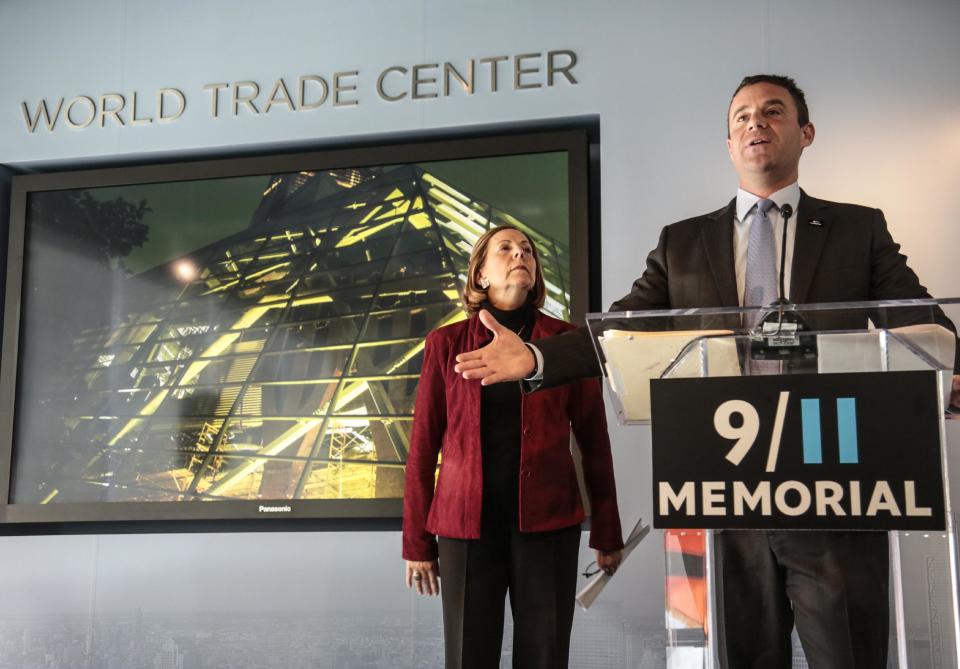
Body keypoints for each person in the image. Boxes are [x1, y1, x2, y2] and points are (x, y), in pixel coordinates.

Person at [453, 75, 960, 668]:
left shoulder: (858, 228)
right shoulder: (682, 243)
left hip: (833, 491)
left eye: (773, 112)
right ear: (728, 143)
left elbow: (917, 316)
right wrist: (538, 357)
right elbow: (621, 328)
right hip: (721, 492)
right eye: (742, 116)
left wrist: (946, 367)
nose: (756, 123)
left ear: (805, 133)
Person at [402, 225, 624, 669]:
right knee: (469, 657)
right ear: (480, 275)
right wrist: (417, 544)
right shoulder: (444, 344)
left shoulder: (567, 344)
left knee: (545, 657)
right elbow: (423, 450)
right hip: (466, 529)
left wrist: (607, 530)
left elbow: (594, 442)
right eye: (505, 249)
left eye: (527, 249)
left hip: (547, 526)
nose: (519, 254)